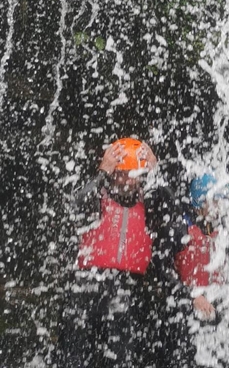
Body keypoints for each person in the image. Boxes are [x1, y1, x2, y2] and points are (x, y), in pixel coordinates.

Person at [53, 137, 181, 368]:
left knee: (122, 357)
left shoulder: (149, 202)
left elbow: (173, 211)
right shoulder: (97, 194)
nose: (126, 180)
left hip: (127, 287)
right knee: (74, 355)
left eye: (132, 175)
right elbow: (76, 208)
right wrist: (102, 171)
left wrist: (156, 172)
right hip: (87, 284)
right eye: (121, 173)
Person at [172, 171, 229, 367]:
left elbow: (227, 259)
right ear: (200, 202)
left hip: (214, 306)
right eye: (216, 201)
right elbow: (166, 273)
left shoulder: (220, 228)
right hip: (185, 308)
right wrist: (192, 296)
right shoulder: (180, 228)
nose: (222, 206)